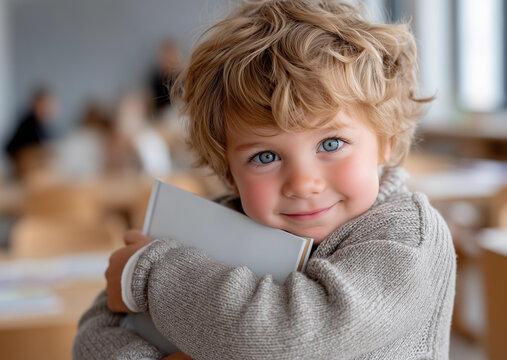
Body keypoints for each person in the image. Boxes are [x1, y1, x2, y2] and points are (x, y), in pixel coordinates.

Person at [73, 1, 456, 359]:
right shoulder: (220, 222)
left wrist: (149, 275)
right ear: (230, 171)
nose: (303, 183)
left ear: (386, 142)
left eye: (332, 142)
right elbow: (97, 331)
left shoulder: (408, 238)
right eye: (266, 156)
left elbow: (290, 334)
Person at [4, 87, 57, 178]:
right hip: (25, 171)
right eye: (45, 105)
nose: (48, 109)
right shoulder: (28, 124)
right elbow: (14, 150)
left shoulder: (43, 126)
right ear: (36, 104)